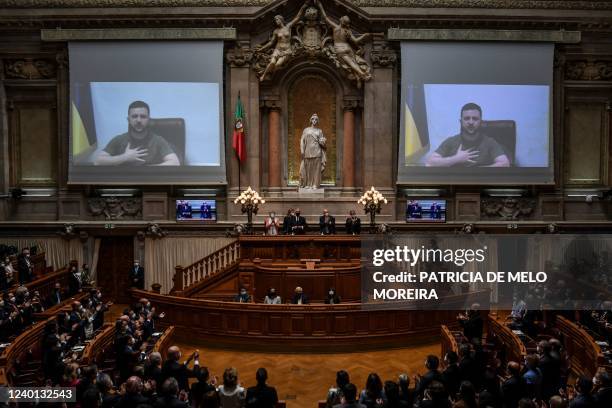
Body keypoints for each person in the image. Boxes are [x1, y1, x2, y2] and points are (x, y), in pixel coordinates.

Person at [92, 100, 180, 166]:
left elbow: (175, 162)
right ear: (128, 120)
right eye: (134, 116)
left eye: (143, 116)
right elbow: (98, 161)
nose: (138, 120)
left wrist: (147, 170)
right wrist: (125, 157)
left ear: (148, 120)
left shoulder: (158, 140)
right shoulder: (119, 139)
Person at [425, 102, 510, 167]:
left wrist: (476, 172)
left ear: (481, 122)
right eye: (466, 118)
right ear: (460, 121)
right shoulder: (451, 141)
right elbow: (429, 163)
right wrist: (456, 159)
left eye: (475, 119)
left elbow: (505, 163)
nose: (471, 122)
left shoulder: (489, 142)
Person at [255, 3, 307, 81]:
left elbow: (297, 17)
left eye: (277, 19)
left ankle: (272, 74)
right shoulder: (276, 31)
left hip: (286, 50)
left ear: (281, 20)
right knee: (272, 63)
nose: (276, 21)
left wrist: (304, 6)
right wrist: (262, 49)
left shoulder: (288, 27)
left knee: (278, 64)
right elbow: (271, 43)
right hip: (278, 49)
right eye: (275, 20)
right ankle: (264, 75)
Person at [300, 113, 327, 189]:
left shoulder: (319, 131)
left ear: (317, 121)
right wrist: (302, 150)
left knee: (316, 169)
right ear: (310, 120)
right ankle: (308, 184)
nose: (314, 121)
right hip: (307, 151)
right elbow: (302, 140)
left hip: (317, 151)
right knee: (308, 168)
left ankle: (315, 184)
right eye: (313, 119)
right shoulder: (306, 130)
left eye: (316, 119)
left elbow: (322, 142)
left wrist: (323, 142)